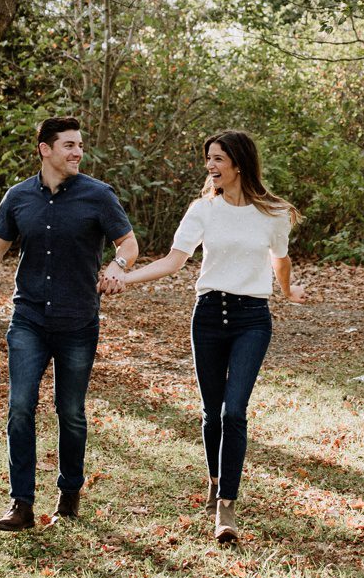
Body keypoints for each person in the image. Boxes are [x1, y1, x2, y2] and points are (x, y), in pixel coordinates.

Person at [105, 130, 305, 544]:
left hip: (252, 317)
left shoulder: (273, 214)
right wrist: (127, 277)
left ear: (239, 163)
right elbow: (174, 261)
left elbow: (280, 260)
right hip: (209, 315)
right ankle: (214, 479)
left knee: (235, 412)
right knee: (212, 412)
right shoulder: (202, 210)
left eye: (218, 159)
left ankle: (226, 506)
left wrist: (287, 290)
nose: (211, 167)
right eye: (208, 159)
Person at [0, 117, 138, 531]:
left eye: (79, 145)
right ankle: (21, 503)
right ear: (45, 149)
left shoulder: (98, 195)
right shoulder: (18, 197)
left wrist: (117, 265)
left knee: (70, 411)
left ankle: (69, 491)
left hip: (78, 320)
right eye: (69, 145)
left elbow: (128, 242)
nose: (77, 152)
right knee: (20, 408)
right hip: (29, 319)